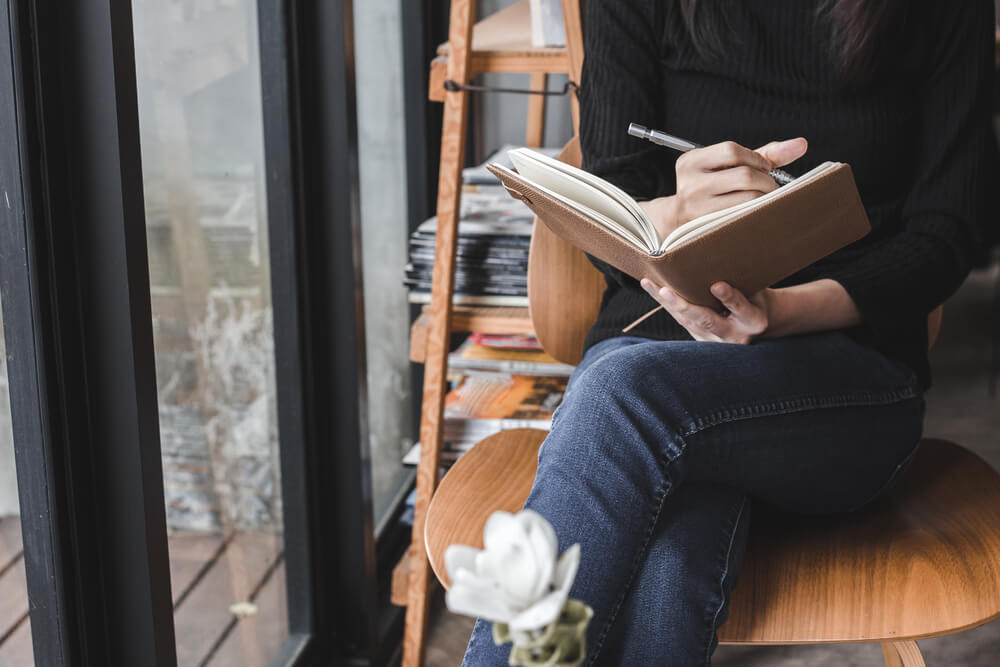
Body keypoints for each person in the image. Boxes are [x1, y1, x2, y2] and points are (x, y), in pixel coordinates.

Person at [462, 1, 995, 664]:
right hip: (655, 347)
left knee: (622, 396)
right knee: (672, 553)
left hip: (844, 381)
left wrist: (780, 312)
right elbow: (612, 189)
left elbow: (948, 231)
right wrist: (675, 211)